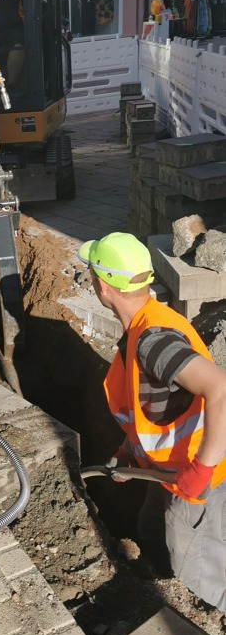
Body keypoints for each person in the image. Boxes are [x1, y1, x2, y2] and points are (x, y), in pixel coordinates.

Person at [78, 232, 226, 612]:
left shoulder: (152, 340)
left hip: (198, 479)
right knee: (150, 531)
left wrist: (203, 469)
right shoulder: (141, 329)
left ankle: (205, 615)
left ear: (101, 286)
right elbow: (153, 407)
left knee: (195, 567)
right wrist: (128, 451)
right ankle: (151, 583)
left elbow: (220, 389)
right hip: (165, 472)